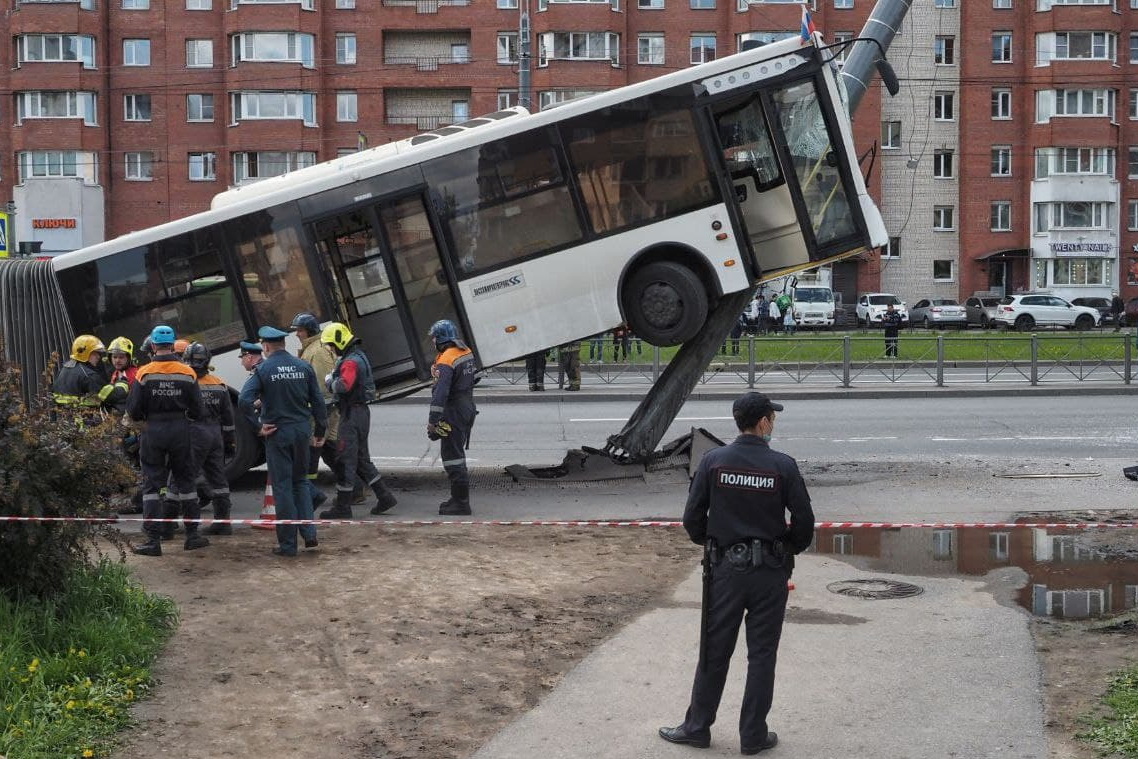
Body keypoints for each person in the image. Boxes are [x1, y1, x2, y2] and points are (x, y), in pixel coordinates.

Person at [659, 392, 814, 756]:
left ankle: (697, 728)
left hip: (725, 571)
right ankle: (753, 736)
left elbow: (692, 520)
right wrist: (783, 548)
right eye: (772, 418)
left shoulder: (714, 462)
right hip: (770, 574)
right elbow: (805, 525)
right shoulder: (783, 466)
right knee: (761, 655)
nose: (773, 424)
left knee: (715, 651)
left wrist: (717, 545)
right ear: (762, 423)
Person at [238, 326, 327, 557]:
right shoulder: (303, 366)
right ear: (284, 344)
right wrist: (320, 430)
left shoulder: (264, 369)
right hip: (301, 432)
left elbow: (244, 400)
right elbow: (318, 401)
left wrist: (258, 427)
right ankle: (309, 534)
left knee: (283, 488)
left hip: (277, 433)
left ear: (265, 346)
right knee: (300, 483)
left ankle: (288, 545)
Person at [126, 325, 207, 557]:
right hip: (180, 430)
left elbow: (133, 410)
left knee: (152, 485)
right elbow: (199, 411)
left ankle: (153, 540)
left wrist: (147, 419)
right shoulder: (188, 372)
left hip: (153, 430)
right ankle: (193, 536)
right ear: (173, 345)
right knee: (186, 481)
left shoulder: (144, 373)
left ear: (152, 346)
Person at [320, 322, 398, 519]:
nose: (331, 349)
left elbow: (344, 385)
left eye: (331, 344)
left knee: (345, 458)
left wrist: (330, 382)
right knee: (362, 459)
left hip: (351, 415)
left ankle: (343, 506)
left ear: (339, 341)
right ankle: (385, 496)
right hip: (360, 413)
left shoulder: (351, 362)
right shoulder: (356, 356)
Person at [176, 342, 237, 538]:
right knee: (218, 480)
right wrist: (229, 442)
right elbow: (228, 419)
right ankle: (223, 522)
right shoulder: (219, 384)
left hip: (194, 434)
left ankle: (180, 525)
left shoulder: (185, 383)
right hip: (215, 435)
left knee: (185, 478)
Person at [427, 319, 478, 516]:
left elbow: (441, 394)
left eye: (434, 338)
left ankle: (461, 503)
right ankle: (457, 498)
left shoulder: (446, 360)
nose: (433, 342)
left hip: (454, 411)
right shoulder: (465, 352)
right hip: (467, 407)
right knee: (456, 452)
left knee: (452, 457)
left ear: (441, 339)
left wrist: (433, 421)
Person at [291, 312, 338, 510]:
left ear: (308, 331)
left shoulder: (317, 352)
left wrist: (319, 419)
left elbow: (322, 388)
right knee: (330, 452)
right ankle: (356, 488)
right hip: (319, 413)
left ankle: (311, 495)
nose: (297, 334)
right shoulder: (310, 349)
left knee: (311, 454)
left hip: (320, 413)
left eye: (299, 330)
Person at [52, 335, 109, 416]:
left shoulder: (64, 369)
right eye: (95, 353)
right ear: (85, 353)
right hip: (83, 421)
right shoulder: (89, 375)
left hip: (63, 421)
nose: (98, 357)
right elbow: (106, 399)